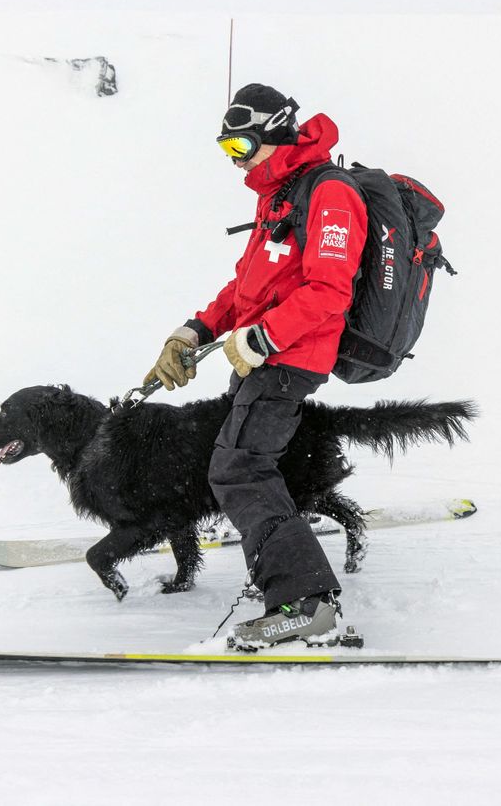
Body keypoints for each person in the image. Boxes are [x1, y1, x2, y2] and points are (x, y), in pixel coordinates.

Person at [145, 83, 368, 648]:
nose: (236, 161)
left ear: (275, 130)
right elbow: (248, 286)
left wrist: (263, 340)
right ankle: (281, 560)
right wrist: (194, 331)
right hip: (263, 355)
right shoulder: (279, 194)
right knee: (250, 463)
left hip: (289, 357)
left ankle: (308, 605)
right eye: (227, 152)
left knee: (240, 469)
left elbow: (329, 290)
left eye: (240, 148)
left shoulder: (329, 192)